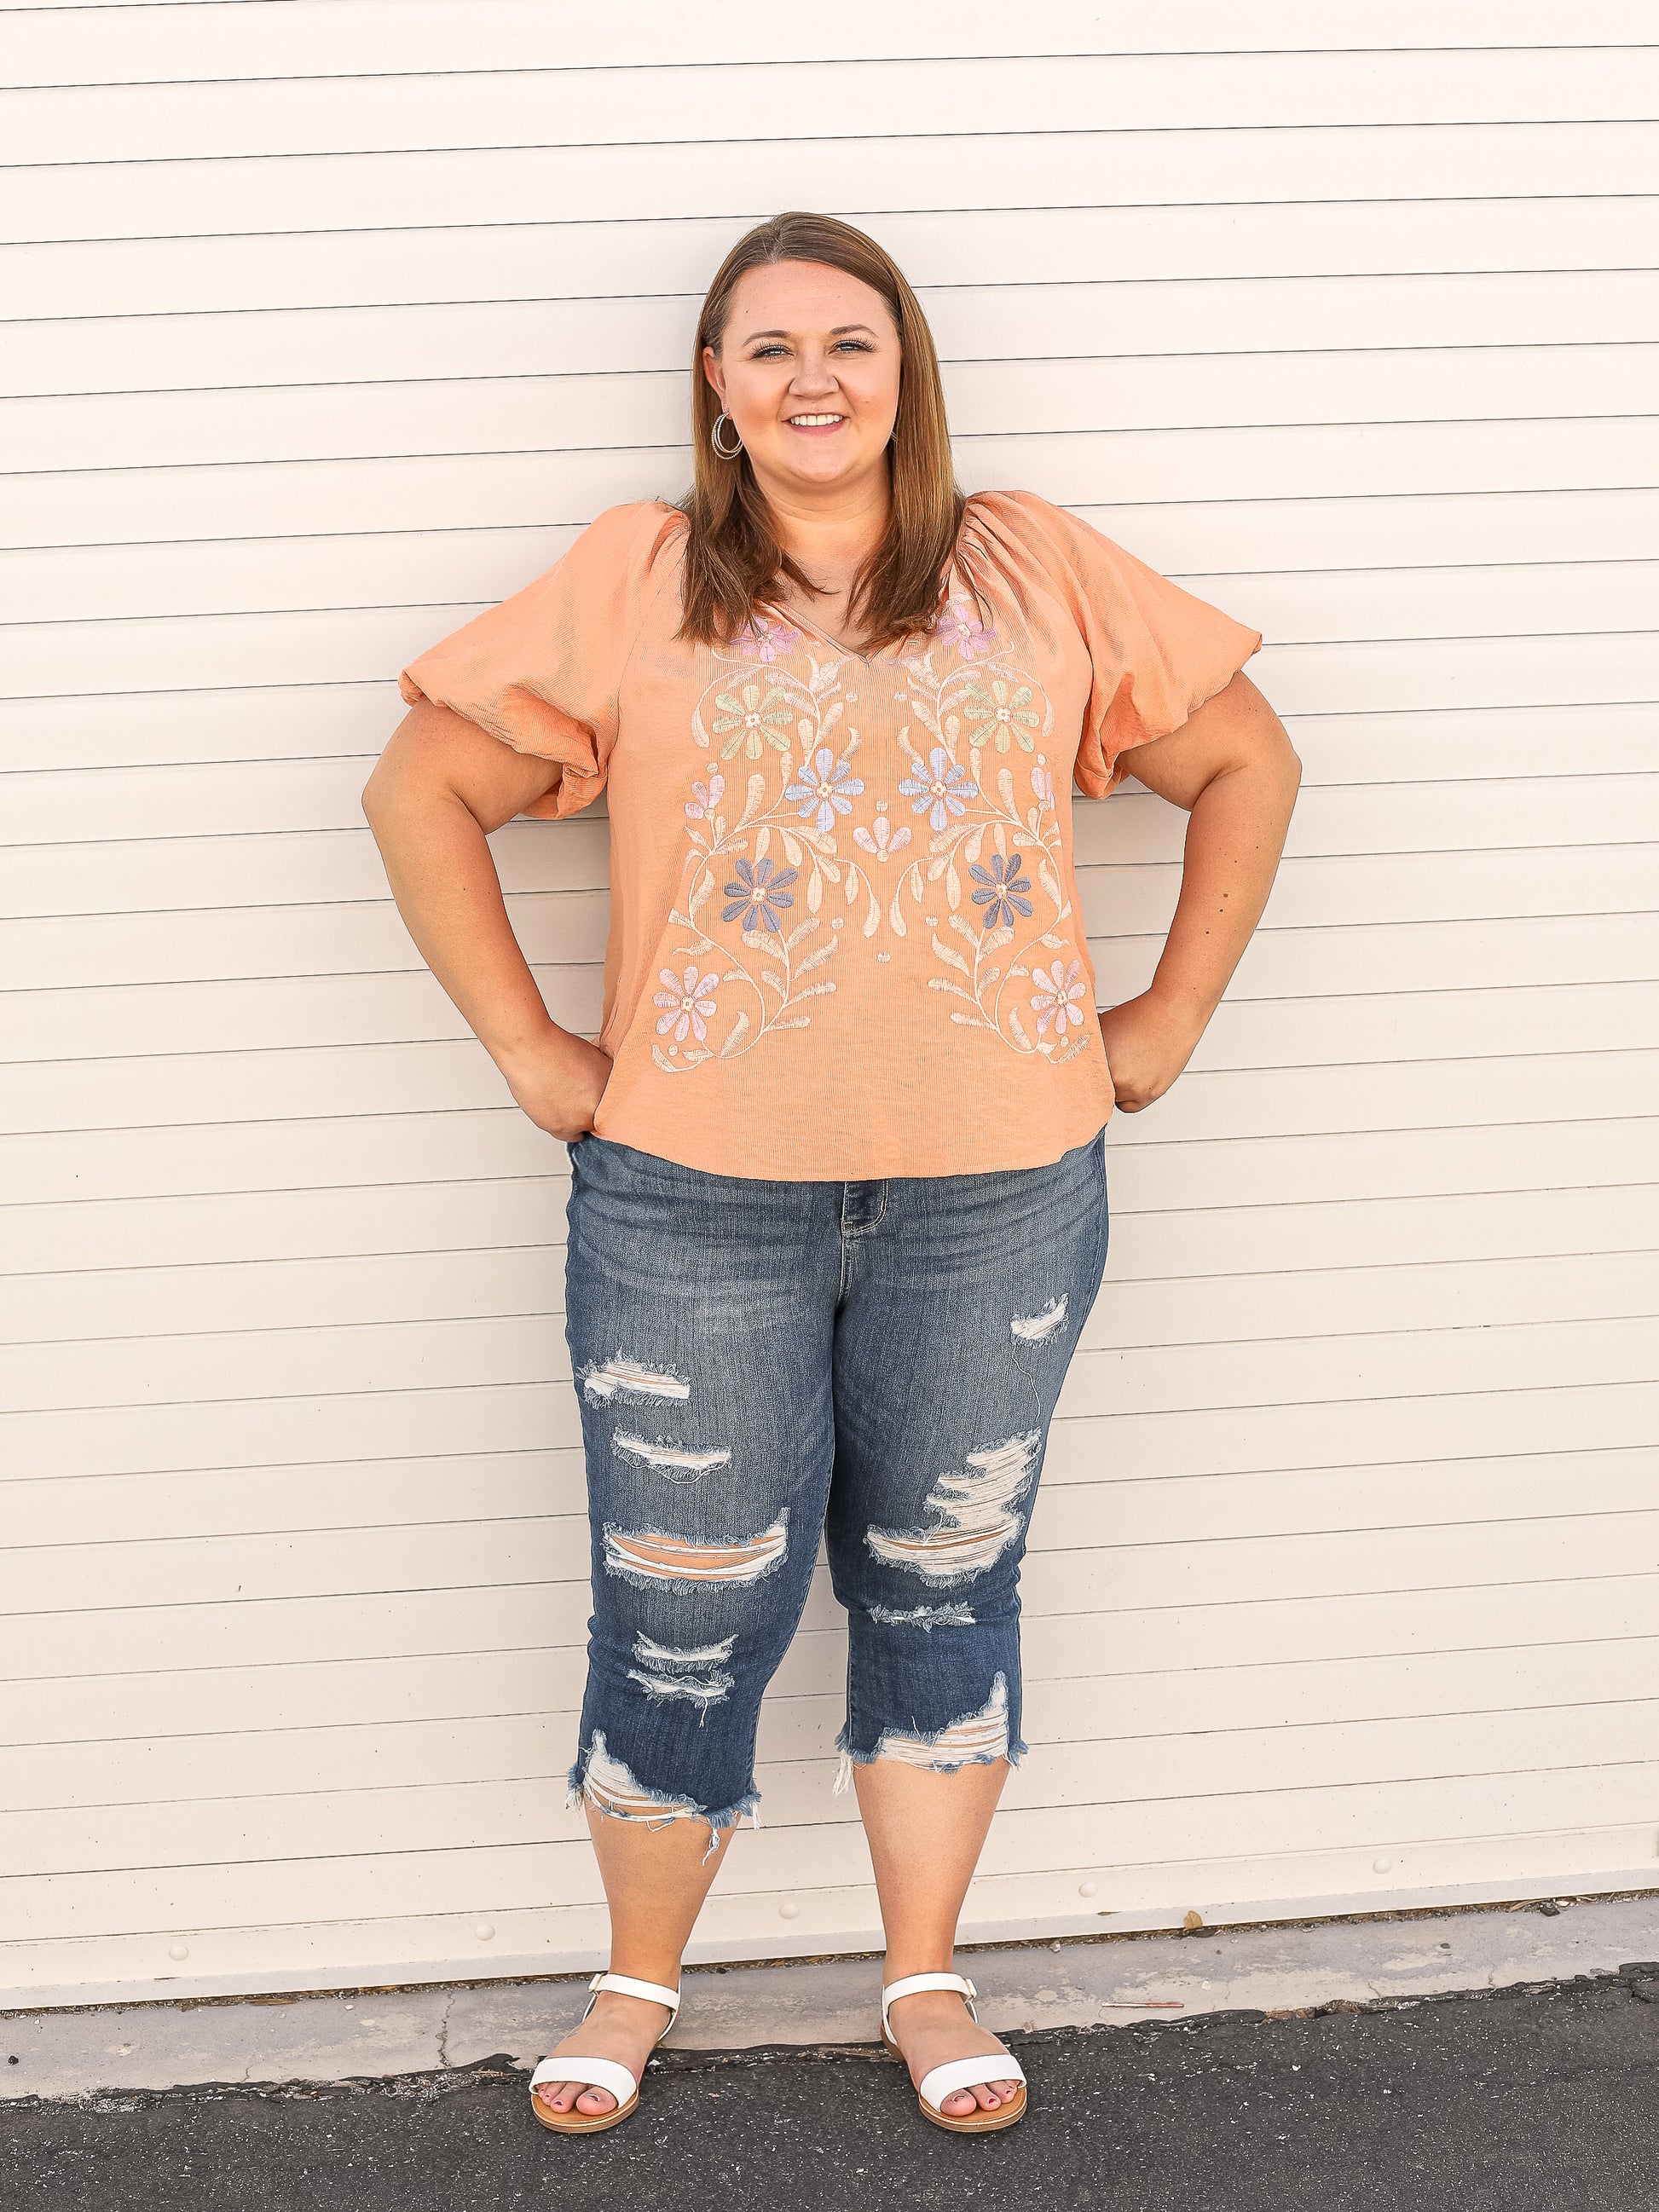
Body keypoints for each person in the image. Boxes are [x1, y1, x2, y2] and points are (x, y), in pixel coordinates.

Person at [362, 209, 1300, 2138]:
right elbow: (418, 787)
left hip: (1000, 1188)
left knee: (944, 1577)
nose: (811, 376)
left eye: (850, 342)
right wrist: (539, 1056)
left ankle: (924, 1968)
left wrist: (1169, 1016)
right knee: (679, 1595)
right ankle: (633, 1981)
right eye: (767, 343)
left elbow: (1248, 760)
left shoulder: (1028, 567)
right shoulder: (641, 578)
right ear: (714, 385)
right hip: (693, 1191)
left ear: (904, 373)